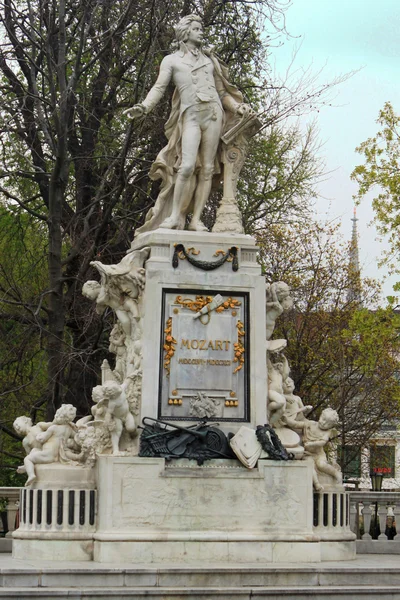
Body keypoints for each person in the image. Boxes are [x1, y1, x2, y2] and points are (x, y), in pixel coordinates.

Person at [125, 14, 253, 233]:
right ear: (185, 32)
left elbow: (222, 93)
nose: (201, 32)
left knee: (208, 168)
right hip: (191, 116)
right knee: (185, 167)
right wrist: (144, 107)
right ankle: (175, 216)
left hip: (213, 114)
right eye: (196, 28)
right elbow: (159, 87)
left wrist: (236, 107)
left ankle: (196, 220)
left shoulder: (209, 60)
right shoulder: (172, 60)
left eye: (201, 28)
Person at [20, 405, 77, 486]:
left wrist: (39, 435)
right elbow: (76, 436)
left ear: (57, 415)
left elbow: (42, 439)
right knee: (34, 450)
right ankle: (27, 467)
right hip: (57, 454)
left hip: (48, 454)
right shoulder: (69, 429)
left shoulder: (53, 428)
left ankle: (31, 475)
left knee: (28, 458)